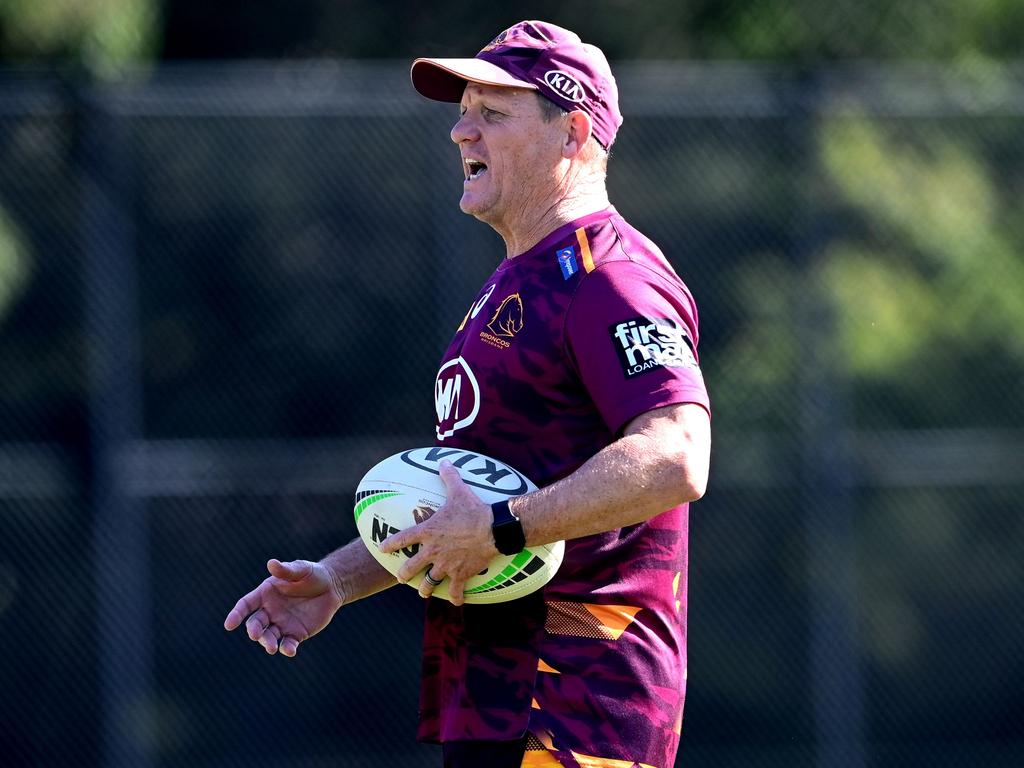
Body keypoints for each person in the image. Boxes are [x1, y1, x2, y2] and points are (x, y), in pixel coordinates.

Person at [225, 20, 711, 768]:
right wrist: (338, 579)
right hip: (493, 700)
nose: (459, 131)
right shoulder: (511, 286)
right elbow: (470, 506)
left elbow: (676, 457)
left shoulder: (612, 276)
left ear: (574, 131)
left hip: (580, 708)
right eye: (462, 111)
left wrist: (507, 527)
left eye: (492, 113)